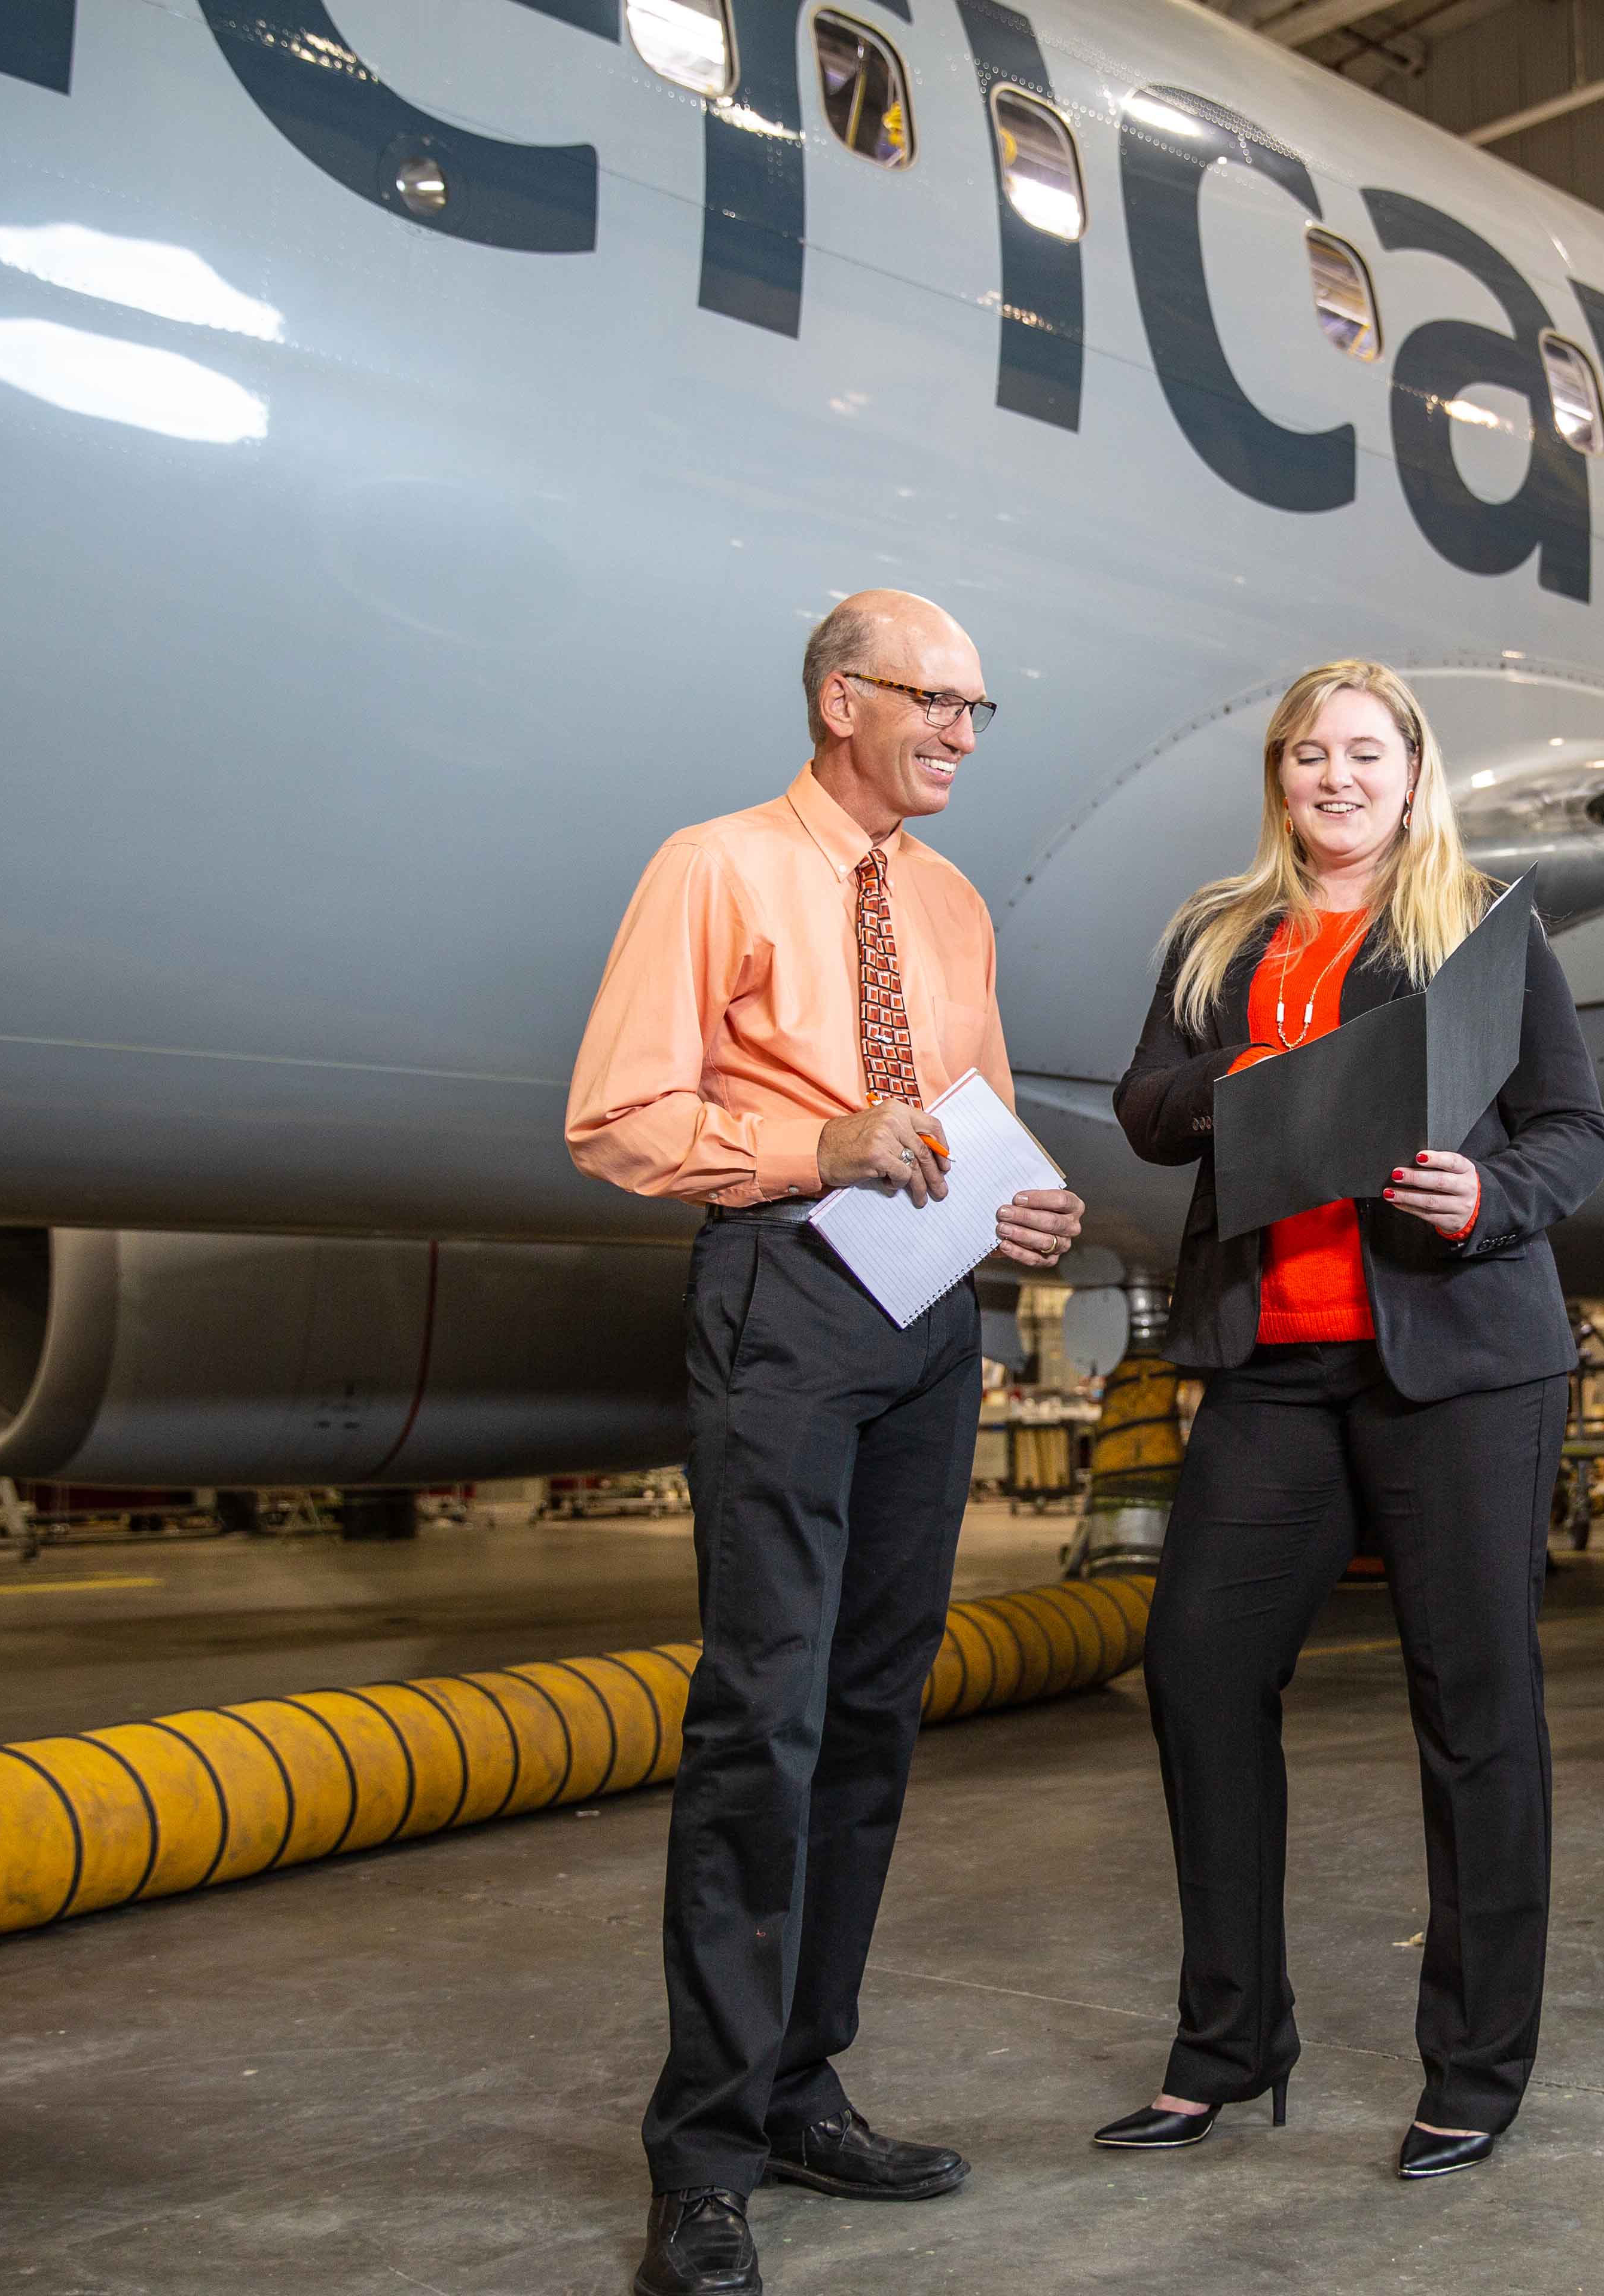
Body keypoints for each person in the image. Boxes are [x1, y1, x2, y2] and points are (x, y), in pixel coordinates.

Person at [566, 590, 1084, 2296]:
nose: (957, 730)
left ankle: (803, 2082)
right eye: (933, 699)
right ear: (838, 697)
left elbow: (969, 1117)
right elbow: (621, 1118)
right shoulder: (712, 866)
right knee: (762, 1722)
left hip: (932, 1317)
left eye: (976, 708)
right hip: (784, 1291)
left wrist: (1021, 1209)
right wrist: (821, 1142)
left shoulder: (949, 905)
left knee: (872, 1709)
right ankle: (702, 2158)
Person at [1101, 660, 1604, 2181]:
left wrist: (1490, 1194)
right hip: (1276, 1357)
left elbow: (1578, 1128)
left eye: (1365, 753)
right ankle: (1230, 2044)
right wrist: (1237, 1083)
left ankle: (1473, 2068)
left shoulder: (1479, 930)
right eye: (1310, 753)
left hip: (1458, 1362)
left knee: (1475, 1710)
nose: (1336, 776)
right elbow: (1144, 1101)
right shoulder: (1219, 934)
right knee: (1197, 1671)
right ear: (1282, 776)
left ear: (1412, 772)